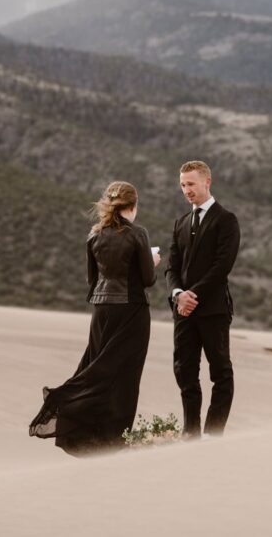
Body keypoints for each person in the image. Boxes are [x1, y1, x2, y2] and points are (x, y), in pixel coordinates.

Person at [29, 181, 160, 455]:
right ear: (133, 206)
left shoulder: (94, 234)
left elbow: (92, 279)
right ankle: (111, 439)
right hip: (131, 310)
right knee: (124, 376)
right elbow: (147, 279)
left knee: (98, 368)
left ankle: (83, 426)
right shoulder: (139, 234)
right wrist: (151, 260)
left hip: (101, 312)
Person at [166, 160, 240, 438]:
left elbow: (223, 265)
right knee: (184, 371)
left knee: (220, 371)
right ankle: (191, 432)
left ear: (207, 182)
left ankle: (213, 433)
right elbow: (172, 266)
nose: (186, 190)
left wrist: (192, 295)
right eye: (183, 185)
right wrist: (178, 295)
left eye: (191, 184)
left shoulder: (226, 219)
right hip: (183, 311)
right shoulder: (181, 222)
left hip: (213, 309)